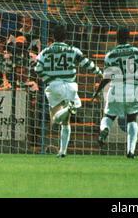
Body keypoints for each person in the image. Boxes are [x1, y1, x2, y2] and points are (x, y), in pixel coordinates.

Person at [34, 24, 102, 158]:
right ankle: (62, 151)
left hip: (54, 86)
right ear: (66, 37)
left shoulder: (46, 51)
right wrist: (100, 72)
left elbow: (37, 69)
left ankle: (68, 110)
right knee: (66, 122)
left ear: (53, 37)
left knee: (55, 119)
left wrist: (48, 78)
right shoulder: (73, 50)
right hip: (71, 86)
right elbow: (87, 64)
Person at [94, 27, 138, 158]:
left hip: (116, 89)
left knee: (108, 117)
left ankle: (105, 130)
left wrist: (97, 91)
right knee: (132, 119)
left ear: (116, 38)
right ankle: (130, 151)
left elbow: (107, 77)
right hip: (133, 89)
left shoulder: (110, 55)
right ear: (129, 37)